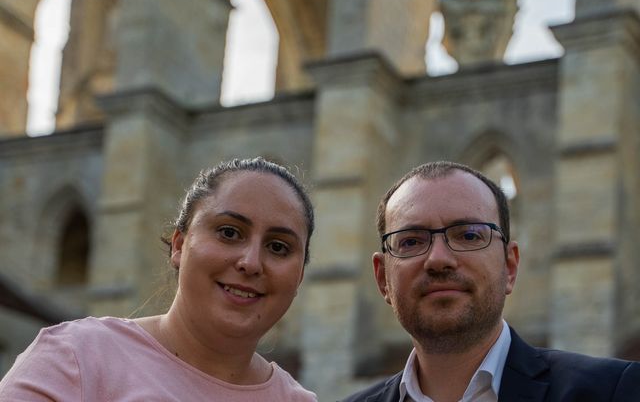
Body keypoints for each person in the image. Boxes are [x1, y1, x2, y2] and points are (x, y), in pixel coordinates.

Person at [0, 157, 317, 401]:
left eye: (278, 247)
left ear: (300, 275)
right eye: (229, 232)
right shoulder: (76, 358)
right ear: (179, 245)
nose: (250, 262)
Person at [342, 161, 640, 402]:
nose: (438, 259)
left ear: (509, 267)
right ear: (383, 279)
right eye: (410, 241)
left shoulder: (614, 391)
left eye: (469, 235)